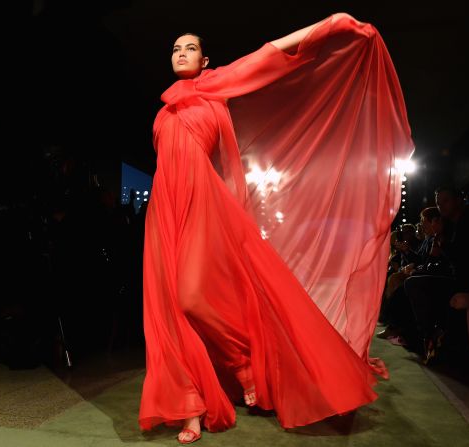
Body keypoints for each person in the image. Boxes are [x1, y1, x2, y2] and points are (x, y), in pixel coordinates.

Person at [139, 13, 413, 444]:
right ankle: (190, 408)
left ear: (206, 58)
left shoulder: (216, 86)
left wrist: (331, 24)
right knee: (169, 311)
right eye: (175, 48)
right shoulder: (165, 106)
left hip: (202, 203)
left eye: (189, 47)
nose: (180, 53)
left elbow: (272, 51)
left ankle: (245, 362)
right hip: (163, 209)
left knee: (192, 297)